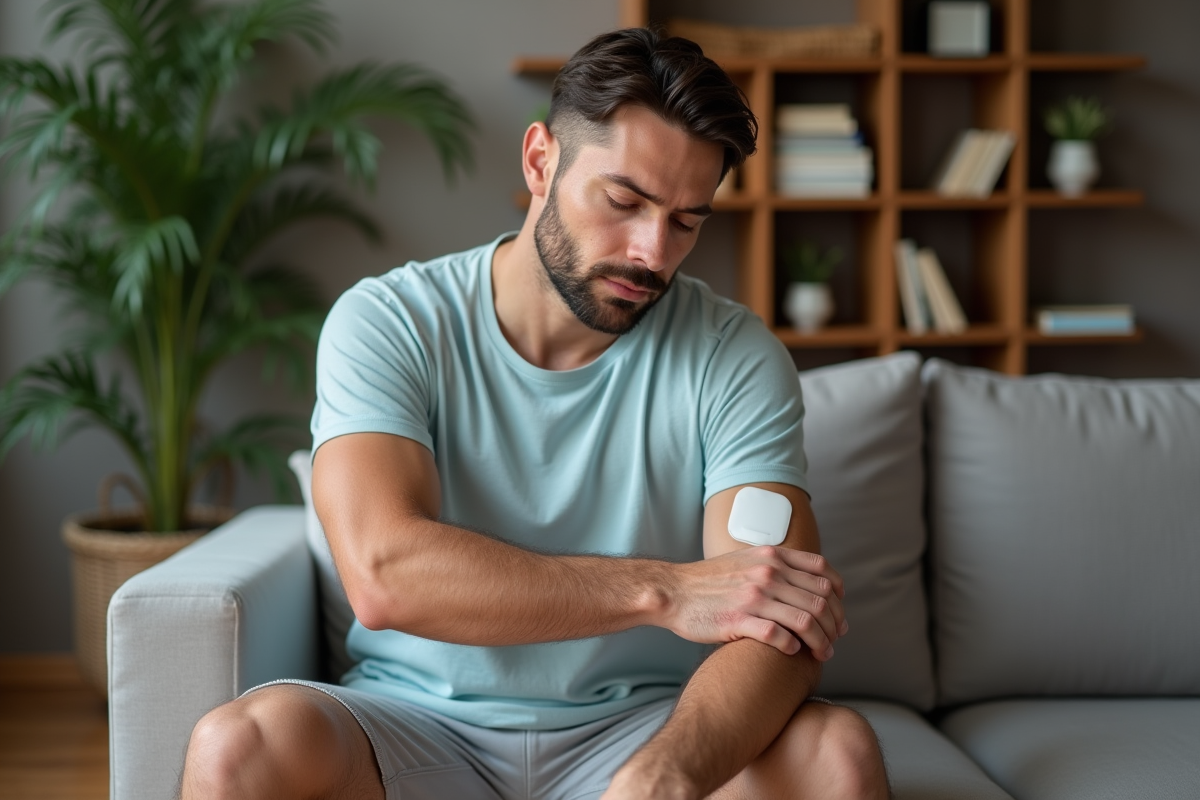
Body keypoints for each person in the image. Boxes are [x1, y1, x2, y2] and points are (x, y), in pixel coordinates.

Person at [180, 27, 889, 800]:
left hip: (641, 729)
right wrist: (668, 589)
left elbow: (780, 622)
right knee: (234, 748)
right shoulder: (390, 321)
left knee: (837, 755)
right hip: (410, 724)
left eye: (687, 220)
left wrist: (669, 771)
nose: (653, 250)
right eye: (625, 200)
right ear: (540, 161)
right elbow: (386, 576)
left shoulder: (734, 357)